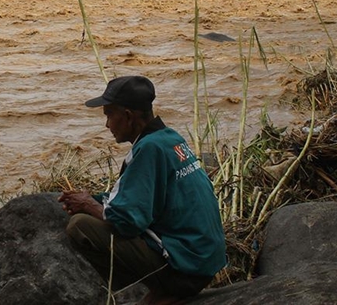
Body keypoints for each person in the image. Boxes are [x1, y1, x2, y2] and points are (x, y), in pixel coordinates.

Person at [59, 75, 227, 305]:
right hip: (205, 261)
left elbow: (126, 221)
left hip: (187, 268)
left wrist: (88, 205)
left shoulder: (148, 149)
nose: (107, 125)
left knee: (80, 226)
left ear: (127, 116)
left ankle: (164, 285)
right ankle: (164, 287)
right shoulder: (169, 138)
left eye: (109, 115)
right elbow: (142, 198)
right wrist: (95, 199)